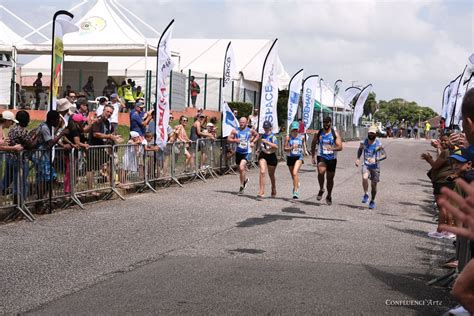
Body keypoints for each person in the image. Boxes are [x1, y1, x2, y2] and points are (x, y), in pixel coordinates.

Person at [422, 134, 457, 238]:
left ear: (451, 141)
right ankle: (449, 231)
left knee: (442, 207)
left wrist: (428, 159)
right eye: (441, 140)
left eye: (445, 140)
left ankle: (440, 231)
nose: (443, 142)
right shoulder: (453, 151)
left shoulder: (445, 152)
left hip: (442, 182)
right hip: (450, 181)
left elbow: (435, 166)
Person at [311, 116, 343, 205]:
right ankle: (321, 189)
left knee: (330, 178)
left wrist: (332, 148)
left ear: (330, 123)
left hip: (332, 158)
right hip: (321, 156)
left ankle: (329, 195)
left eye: (327, 122)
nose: (325, 124)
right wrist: (313, 156)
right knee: (321, 172)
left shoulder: (334, 133)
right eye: (324, 122)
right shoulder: (319, 133)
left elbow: (340, 147)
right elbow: (313, 144)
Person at [355, 125, 387, 209]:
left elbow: (385, 155)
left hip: (375, 166)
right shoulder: (364, 142)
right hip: (366, 164)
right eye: (370, 133)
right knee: (364, 177)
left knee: (374, 185)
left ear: (376, 134)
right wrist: (358, 159)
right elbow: (360, 149)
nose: (371, 135)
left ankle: (372, 200)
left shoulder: (378, 144)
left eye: (373, 133)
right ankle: (366, 194)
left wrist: (376, 159)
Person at [227, 117, 259, 194]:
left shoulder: (250, 130)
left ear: (246, 123)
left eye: (243, 122)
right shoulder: (235, 130)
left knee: (241, 167)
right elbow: (228, 139)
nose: (241, 123)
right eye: (240, 122)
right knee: (240, 170)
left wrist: (253, 142)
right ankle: (245, 180)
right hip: (238, 152)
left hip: (247, 152)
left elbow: (257, 135)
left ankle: (241, 186)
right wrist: (235, 140)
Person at [257, 120, 278, 198]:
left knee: (271, 174)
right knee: (262, 171)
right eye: (265, 128)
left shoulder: (273, 136)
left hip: (271, 156)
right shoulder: (262, 136)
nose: (266, 129)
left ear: (270, 128)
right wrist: (258, 149)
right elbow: (260, 144)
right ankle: (261, 191)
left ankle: (273, 188)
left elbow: (276, 146)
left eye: (267, 128)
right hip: (263, 155)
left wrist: (267, 142)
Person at [284, 121, 304, 199]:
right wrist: (291, 148)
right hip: (290, 157)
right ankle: (296, 183)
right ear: (291, 130)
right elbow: (285, 148)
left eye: (296, 130)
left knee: (295, 173)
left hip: (299, 157)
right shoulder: (288, 137)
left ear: (298, 130)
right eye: (293, 130)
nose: (295, 132)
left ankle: (295, 191)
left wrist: (304, 150)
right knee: (293, 175)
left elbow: (303, 146)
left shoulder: (301, 137)